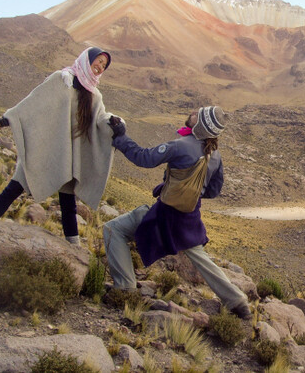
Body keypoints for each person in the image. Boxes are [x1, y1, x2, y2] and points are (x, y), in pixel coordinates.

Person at [103, 106, 251, 319]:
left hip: (165, 215)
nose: (192, 112)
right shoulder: (215, 155)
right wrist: (192, 192)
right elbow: (213, 190)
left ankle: (125, 286)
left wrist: (121, 137)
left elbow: (143, 158)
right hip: (189, 217)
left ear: (200, 124)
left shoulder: (180, 145)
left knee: (113, 229)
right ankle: (237, 300)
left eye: (196, 114)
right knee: (201, 259)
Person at [0, 47, 117, 245]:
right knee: (17, 184)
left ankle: (74, 247)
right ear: (87, 59)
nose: (100, 67)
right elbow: (34, 102)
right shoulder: (62, 79)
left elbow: (100, 118)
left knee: (68, 201)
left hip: (68, 153)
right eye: (98, 61)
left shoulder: (95, 95)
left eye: (104, 66)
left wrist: (115, 123)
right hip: (46, 144)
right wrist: (5, 120)